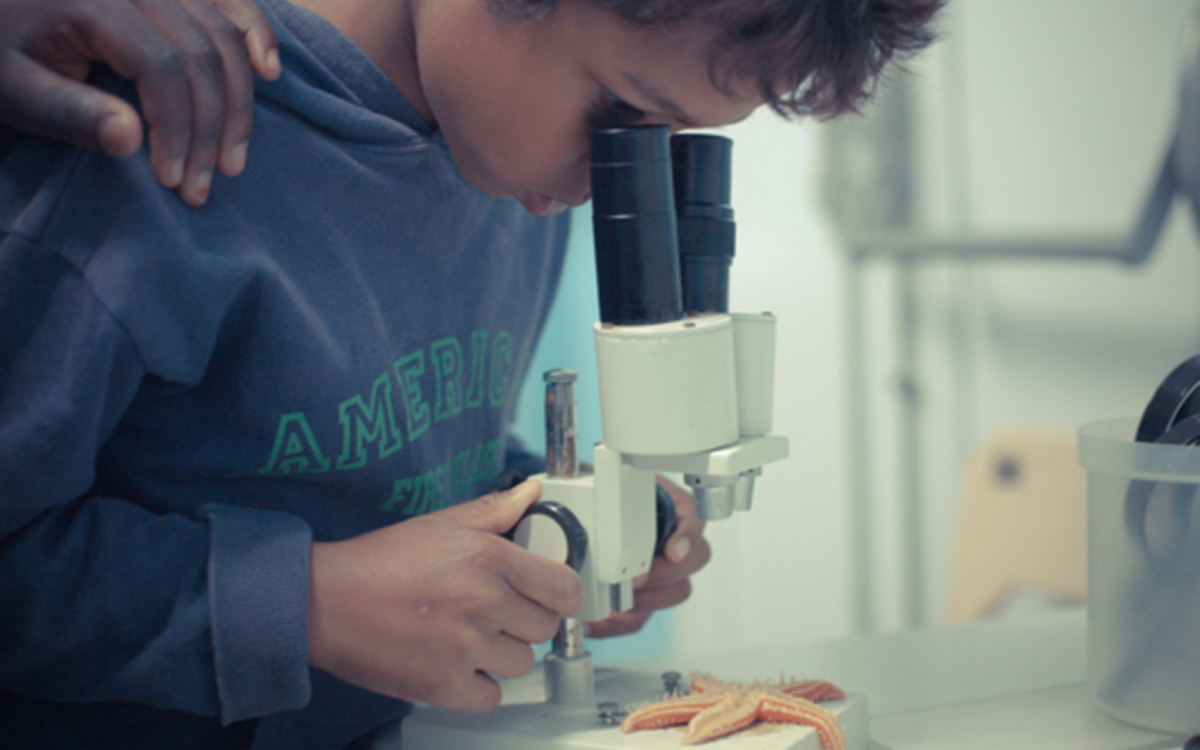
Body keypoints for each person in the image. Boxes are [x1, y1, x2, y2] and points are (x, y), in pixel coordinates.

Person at [0, 0, 943, 747]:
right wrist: (307, 607)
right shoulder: (157, 136)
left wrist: (545, 526)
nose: (610, 181)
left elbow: (381, 454)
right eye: (620, 114)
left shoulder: (506, 165)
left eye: (662, 143)